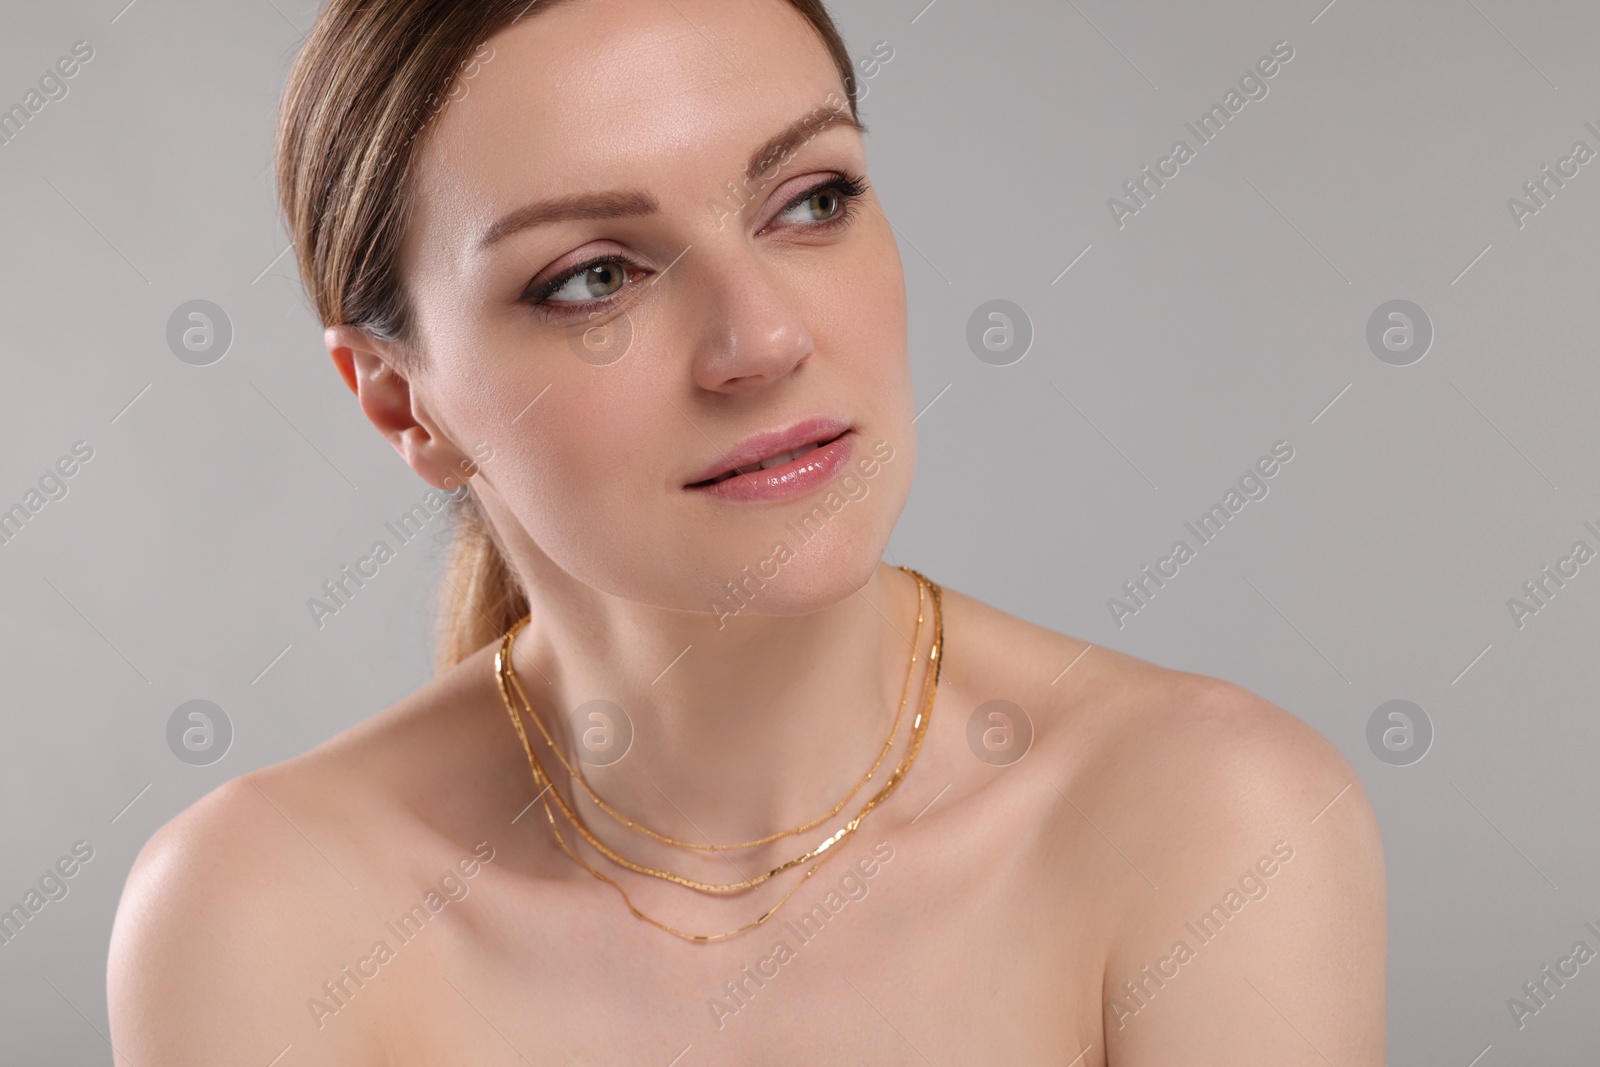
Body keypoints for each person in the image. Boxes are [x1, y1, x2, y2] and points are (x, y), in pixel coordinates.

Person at [107, 0, 1386, 1062]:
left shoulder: (1211, 821)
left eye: (810, 199)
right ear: (402, 399)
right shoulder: (257, 916)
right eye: (594, 275)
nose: (763, 339)